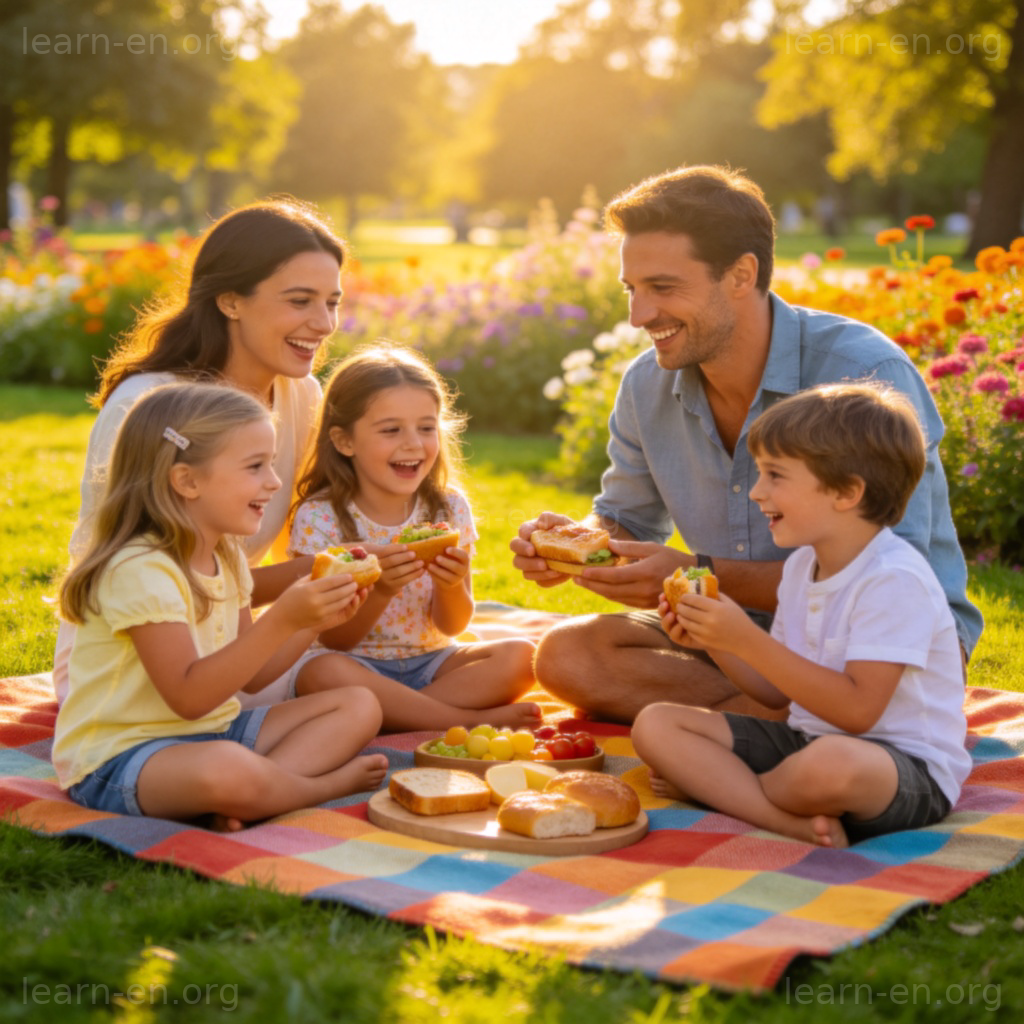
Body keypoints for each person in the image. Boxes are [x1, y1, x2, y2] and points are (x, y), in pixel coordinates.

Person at [511, 164, 983, 723]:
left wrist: (691, 573)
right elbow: (625, 520)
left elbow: (891, 570)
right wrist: (575, 544)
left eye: (663, 288)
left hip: (872, 638)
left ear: (740, 275)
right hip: (728, 631)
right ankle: (789, 724)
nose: (639, 315)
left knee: (869, 689)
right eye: (632, 290)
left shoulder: (863, 374)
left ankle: (779, 724)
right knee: (570, 655)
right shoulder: (646, 384)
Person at [632, 383, 971, 848]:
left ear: (847, 492)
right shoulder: (800, 567)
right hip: (805, 745)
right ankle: (787, 819)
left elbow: (856, 713)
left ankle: (726, 790)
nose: (756, 492)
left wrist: (747, 639)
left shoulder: (894, 579)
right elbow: (774, 693)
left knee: (832, 764)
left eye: (775, 475)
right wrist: (716, 639)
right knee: (656, 723)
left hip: (898, 772)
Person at [53, 383, 388, 830]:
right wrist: (284, 617)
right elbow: (190, 698)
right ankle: (313, 788)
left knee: (359, 704)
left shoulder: (226, 554)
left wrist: (313, 623)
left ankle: (252, 795)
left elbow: (252, 676)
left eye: (270, 464)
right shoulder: (140, 569)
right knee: (224, 768)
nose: (273, 481)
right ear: (187, 480)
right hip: (122, 758)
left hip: (211, 732)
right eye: (255, 466)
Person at [54, 198, 345, 708]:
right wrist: (310, 580)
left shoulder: (302, 396)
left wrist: (353, 566)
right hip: (136, 663)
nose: (323, 324)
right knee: (344, 684)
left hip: (230, 636)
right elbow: (125, 575)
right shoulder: (147, 406)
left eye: (332, 302)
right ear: (230, 300)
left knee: (367, 675)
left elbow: (291, 543)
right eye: (300, 301)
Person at [286, 342, 539, 732]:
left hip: (432, 663)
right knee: (321, 673)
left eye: (426, 427)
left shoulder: (448, 508)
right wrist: (381, 590)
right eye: (391, 430)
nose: (413, 443)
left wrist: (451, 585)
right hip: (356, 666)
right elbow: (336, 640)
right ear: (344, 441)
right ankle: (459, 721)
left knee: (522, 656)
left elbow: (453, 626)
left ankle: (397, 716)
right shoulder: (319, 517)